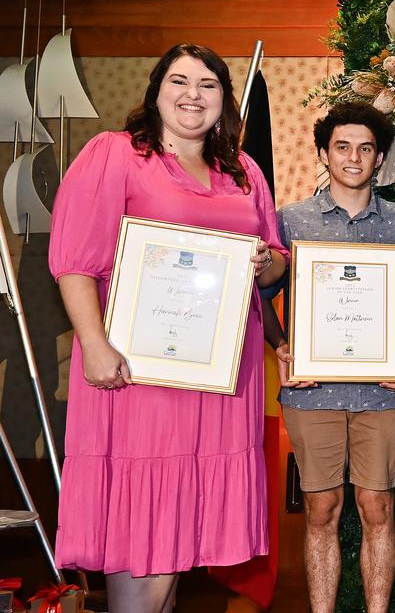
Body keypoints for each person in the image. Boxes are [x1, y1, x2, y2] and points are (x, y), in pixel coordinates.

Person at [48, 43, 286, 613]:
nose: (192, 95)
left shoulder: (244, 171)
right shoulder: (116, 155)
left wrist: (263, 262)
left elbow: (276, 257)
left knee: (180, 545)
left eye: (208, 85)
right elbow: (76, 261)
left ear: (224, 100)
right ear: (155, 92)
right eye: (178, 81)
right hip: (139, 378)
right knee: (144, 533)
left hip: (219, 379)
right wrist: (95, 346)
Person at [265, 102, 395, 613]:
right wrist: (281, 348)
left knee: (378, 507)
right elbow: (259, 294)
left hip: (384, 391)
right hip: (314, 391)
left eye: (366, 148)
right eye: (343, 146)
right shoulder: (292, 221)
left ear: (380, 159)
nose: (354, 157)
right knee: (320, 508)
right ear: (324, 154)